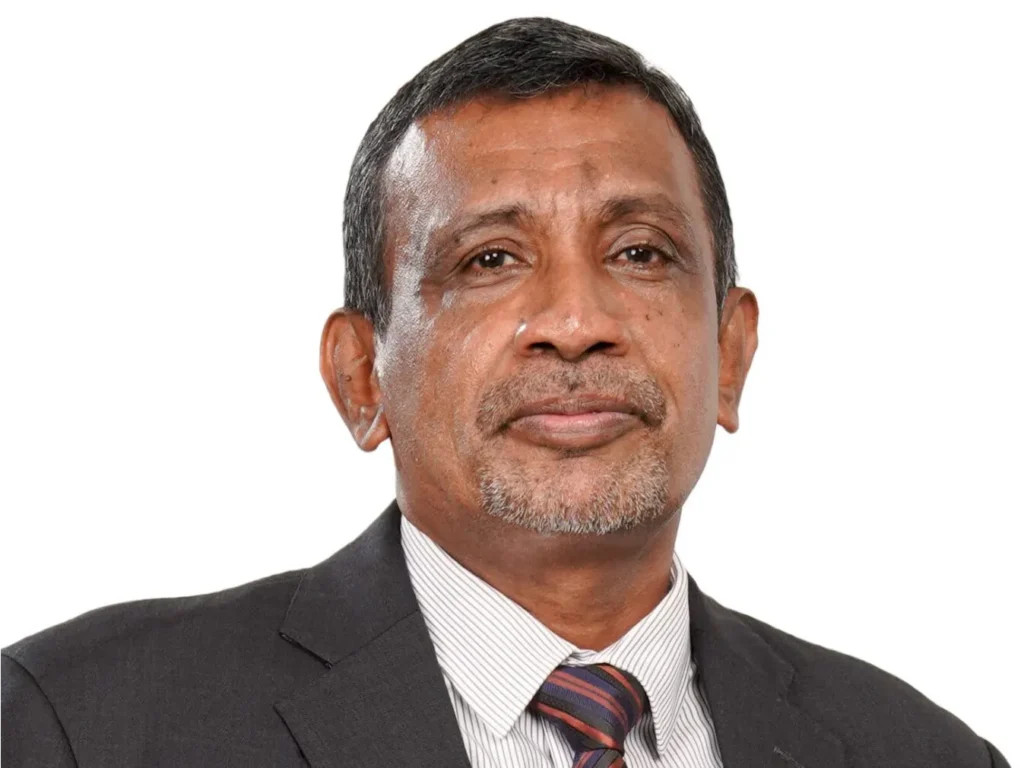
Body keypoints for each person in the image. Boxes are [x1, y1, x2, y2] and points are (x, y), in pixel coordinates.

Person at [0, 16, 1009, 768]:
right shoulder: (82, 726)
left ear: (730, 353)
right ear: (360, 377)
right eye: (489, 259)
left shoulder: (923, 754)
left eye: (639, 251)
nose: (575, 320)